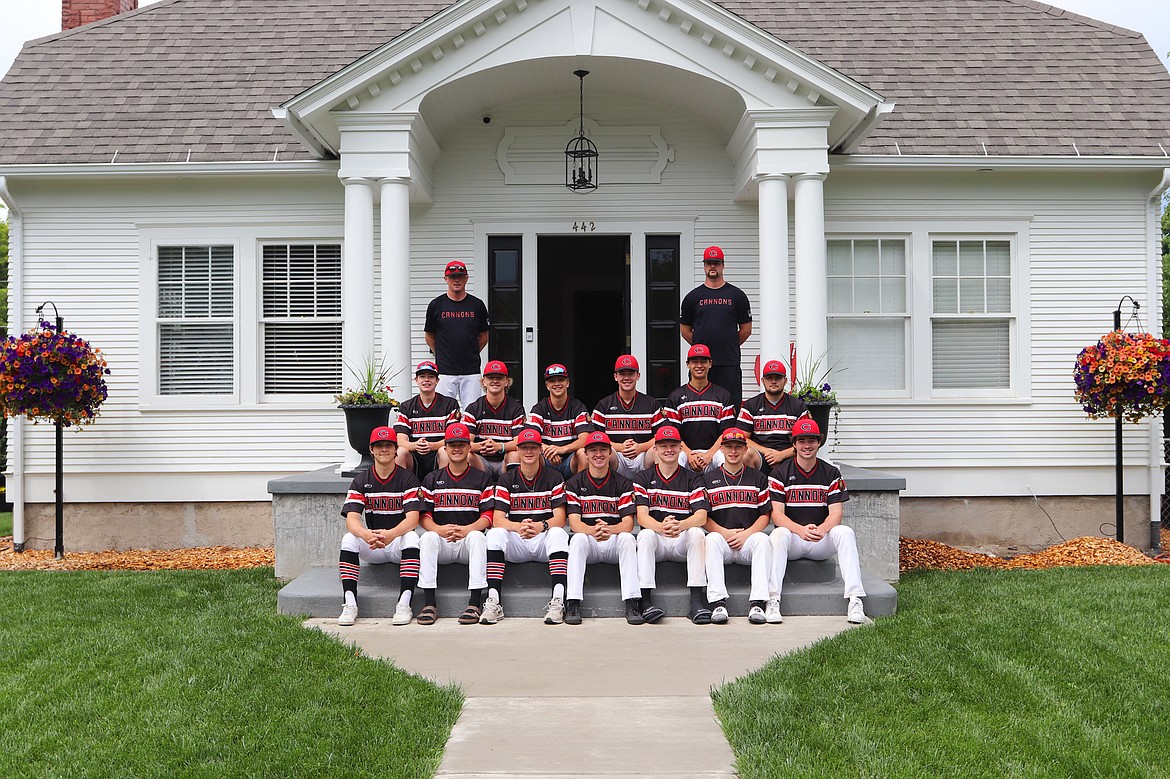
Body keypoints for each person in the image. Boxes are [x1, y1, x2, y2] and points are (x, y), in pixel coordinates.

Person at [769, 417, 867, 624]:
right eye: (802, 440)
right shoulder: (780, 472)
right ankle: (773, 600)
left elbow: (836, 514)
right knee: (778, 533)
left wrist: (821, 530)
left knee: (845, 532)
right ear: (793, 443)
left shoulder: (831, 472)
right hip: (794, 540)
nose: (807, 445)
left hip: (820, 540)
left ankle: (855, 599)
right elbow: (776, 515)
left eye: (812, 440)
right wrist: (800, 530)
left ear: (819, 442)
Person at [482, 428, 571, 625]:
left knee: (558, 533)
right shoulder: (507, 479)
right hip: (519, 539)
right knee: (495, 534)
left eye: (533, 447)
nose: (529, 452)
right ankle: (493, 601)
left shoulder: (554, 477)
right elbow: (497, 519)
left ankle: (558, 600)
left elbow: (560, 518)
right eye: (524, 448)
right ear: (519, 451)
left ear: (540, 449)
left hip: (542, 540)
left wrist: (541, 526)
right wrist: (517, 526)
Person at [336, 426, 422, 628]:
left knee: (412, 538)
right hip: (373, 543)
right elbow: (352, 519)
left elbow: (413, 519)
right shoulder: (361, 480)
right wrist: (365, 534)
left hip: (396, 542)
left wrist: (392, 534)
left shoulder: (407, 479)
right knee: (349, 538)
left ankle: (404, 603)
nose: (384, 449)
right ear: (371, 450)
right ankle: (350, 603)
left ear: (395, 450)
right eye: (379, 446)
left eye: (388, 445)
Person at [416, 422, 495, 625]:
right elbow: (424, 516)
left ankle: (475, 603)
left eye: (461, 444)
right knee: (427, 537)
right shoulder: (432, 479)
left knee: (479, 537)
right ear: (445, 448)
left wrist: (468, 530)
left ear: (469, 447)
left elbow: (488, 516)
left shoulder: (482, 479)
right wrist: (439, 530)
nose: (457, 449)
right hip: (443, 541)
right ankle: (429, 603)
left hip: (467, 542)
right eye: (452, 444)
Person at [634, 425, 711, 624]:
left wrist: (680, 525)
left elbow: (701, 516)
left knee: (696, 533)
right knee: (644, 535)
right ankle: (646, 601)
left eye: (673, 445)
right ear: (655, 449)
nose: (668, 449)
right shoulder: (643, 477)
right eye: (663, 445)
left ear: (679, 449)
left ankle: (696, 602)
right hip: (657, 540)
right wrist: (661, 527)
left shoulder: (693, 478)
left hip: (680, 540)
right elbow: (641, 517)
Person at [564, 431, 642, 625]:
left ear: (610, 452)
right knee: (577, 539)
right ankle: (573, 602)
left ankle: (632, 601)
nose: (598, 454)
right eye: (593, 450)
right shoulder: (574, 483)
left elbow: (628, 524)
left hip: (612, 540)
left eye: (602, 450)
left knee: (627, 538)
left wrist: (610, 530)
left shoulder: (623, 483)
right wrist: (593, 531)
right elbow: (574, 523)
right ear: (586, 454)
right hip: (589, 541)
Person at [703, 428, 773, 625]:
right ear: (721, 449)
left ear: (745, 450)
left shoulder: (758, 478)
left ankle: (758, 603)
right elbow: (704, 517)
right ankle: (718, 602)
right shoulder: (708, 479)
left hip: (747, 541)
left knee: (763, 540)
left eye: (738, 447)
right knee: (711, 539)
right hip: (723, 541)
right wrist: (723, 532)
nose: (733, 451)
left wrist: (747, 534)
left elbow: (765, 515)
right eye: (729, 447)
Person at [680, 246, 752, 406]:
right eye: (709, 263)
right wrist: (701, 346)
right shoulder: (692, 297)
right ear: (704, 265)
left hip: (729, 362)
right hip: (700, 363)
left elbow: (746, 330)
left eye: (716, 263)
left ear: (723, 265)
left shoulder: (737, 295)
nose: (713, 266)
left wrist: (728, 342)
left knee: (730, 405)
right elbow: (685, 331)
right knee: (698, 404)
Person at [424, 260, 490, 409]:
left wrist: (470, 352)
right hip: (445, 371)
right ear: (446, 279)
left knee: (472, 413)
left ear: (466, 278)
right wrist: (441, 354)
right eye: (453, 277)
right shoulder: (436, 305)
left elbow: (484, 336)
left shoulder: (477, 305)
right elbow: (429, 336)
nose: (457, 280)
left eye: (460, 276)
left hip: (471, 370)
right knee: (443, 413)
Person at [586, 354, 664, 478]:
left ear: (638, 376)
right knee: (597, 454)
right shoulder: (604, 405)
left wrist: (640, 447)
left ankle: (661, 492)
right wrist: (619, 447)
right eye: (622, 374)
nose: (626, 378)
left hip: (643, 455)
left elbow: (662, 436)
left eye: (631, 374)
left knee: (662, 451)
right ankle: (602, 493)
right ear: (615, 377)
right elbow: (595, 438)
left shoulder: (651, 404)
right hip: (617, 456)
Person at [665, 344, 735, 472]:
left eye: (703, 361)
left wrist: (709, 455)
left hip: (714, 452)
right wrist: (689, 454)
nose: (699, 365)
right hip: (686, 453)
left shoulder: (723, 395)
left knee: (727, 458)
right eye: (694, 361)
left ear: (710, 363)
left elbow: (726, 433)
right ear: (688, 364)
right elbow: (673, 433)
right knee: (674, 457)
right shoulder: (676, 396)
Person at [737, 359, 809, 472]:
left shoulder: (797, 406)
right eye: (769, 378)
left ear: (785, 381)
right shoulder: (751, 405)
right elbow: (741, 437)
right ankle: (751, 488)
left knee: (806, 453)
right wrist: (766, 452)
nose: (773, 381)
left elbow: (806, 440)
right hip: (761, 455)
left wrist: (781, 455)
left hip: (789, 456)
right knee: (746, 454)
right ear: (763, 381)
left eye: (778, 378)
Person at [395, 360, 461, 479]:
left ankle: (444, 491)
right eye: (422, 376)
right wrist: (416, 445)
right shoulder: (406, 407)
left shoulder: (449, 405)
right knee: (399, 453)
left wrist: (432, 445)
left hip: (439, 454)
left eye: (431, 377)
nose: (426, 380)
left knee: (445, 451)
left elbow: (453, 438)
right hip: (414, 456)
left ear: (437, 381)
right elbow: (400, 440)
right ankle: (402, 491)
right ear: (416, 380)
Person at [459, 360, 524, 479]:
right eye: (490, 377)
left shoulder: (516, 409)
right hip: (481, 461)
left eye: (499, 377)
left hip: (504, 461)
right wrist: (482, 447)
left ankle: (511, 490)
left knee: (515, 455)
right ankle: (475, 491)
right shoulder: (473, 408)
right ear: (484, 382)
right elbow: (464, 443)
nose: (495, 381)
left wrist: (499, 446)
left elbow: (519, 442)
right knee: (466, 455)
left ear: (507, 382)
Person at [529, 363, 591, 479]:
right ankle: (534, 492)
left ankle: (580, 491)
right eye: (552, 381)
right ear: (547, 385)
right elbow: (530, 438)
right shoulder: (539, 408)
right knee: (530, 453)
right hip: (546, 460)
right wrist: (549, 450)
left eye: (560, 380)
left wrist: (562, 449)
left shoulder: (577, 407)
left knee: (583, 453)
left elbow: (585, 438)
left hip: (570, 460)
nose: (557, 384)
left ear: (567, 383)